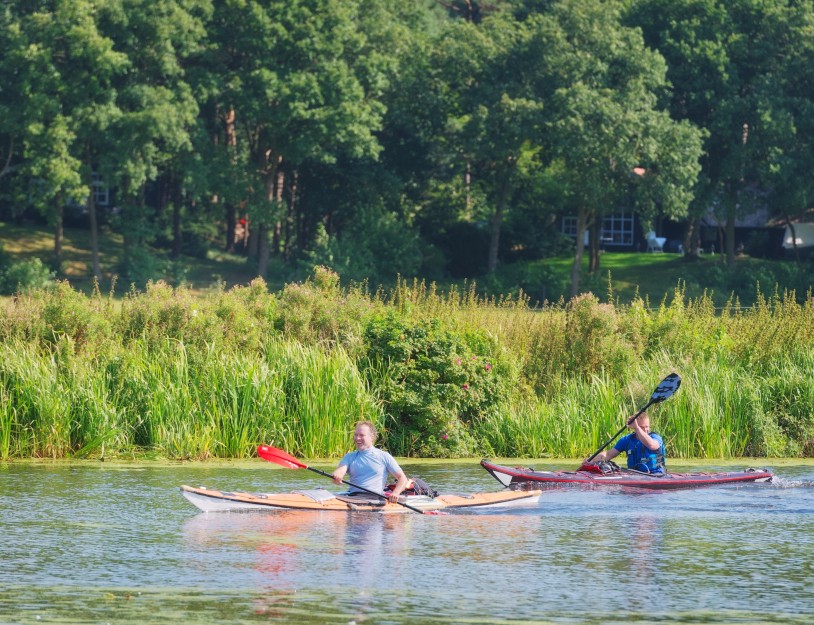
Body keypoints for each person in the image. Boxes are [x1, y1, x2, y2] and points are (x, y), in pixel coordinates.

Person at [332, 421, 409, 503]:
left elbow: (402, 478)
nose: (357, 438)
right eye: (356, 435)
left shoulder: (384, 456)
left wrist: (396, 493)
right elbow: (340, 471)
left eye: (361, 435)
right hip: (353, 497)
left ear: (371, 437)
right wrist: (337, 476)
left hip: (374, 498)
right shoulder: (349, 457)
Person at [589, 411, 666, 473]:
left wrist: (638, 428)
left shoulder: (655, 438)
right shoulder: (626, 440)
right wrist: (591, 460)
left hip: (656, 475)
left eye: (647, 427)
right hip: (634, 475)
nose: (645, 430)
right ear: (634, 427)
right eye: (642, 427)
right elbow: (608, 454)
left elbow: (652, 445)